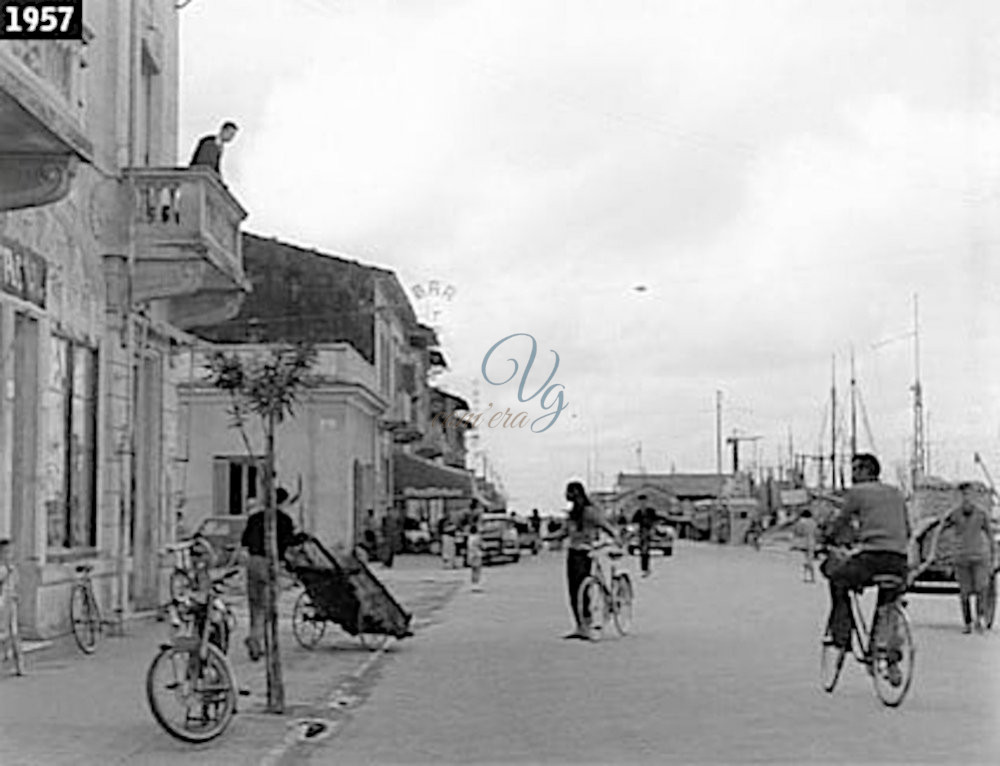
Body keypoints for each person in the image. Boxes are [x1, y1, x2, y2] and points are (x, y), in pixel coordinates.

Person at [822, 453, 910, 677]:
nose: (852, 475)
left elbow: (840, 522)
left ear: (865, 471)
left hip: (872, 558)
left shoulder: (857, 493)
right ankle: (884, 653)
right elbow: (906, 528)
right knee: (888, 603)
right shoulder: (896, 493)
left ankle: (842, 636)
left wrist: (828, 539)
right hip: (899, 560)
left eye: (855, 470)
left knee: (838, 579)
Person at [556, 481, 621, 640]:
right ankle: (579, 626)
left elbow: (604, 525)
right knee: (573, 590)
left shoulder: (589, 512)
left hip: (585, 552)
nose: (569, 496)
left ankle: (588, 623)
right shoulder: (572, 514)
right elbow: (564, 532)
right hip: (573, 552)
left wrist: (616, 537)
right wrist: (549, 538)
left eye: (571, 493)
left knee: (582, 589)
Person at [240, 497, 296, 662]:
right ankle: (259, 640)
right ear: (283, 502)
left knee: (254, 604)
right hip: (270, 563)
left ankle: (254, 636)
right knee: (268, 605)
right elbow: (288, 543)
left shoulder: (255, 518)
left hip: (253, 562)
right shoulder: (284, 520)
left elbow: (245, 541)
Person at [941, 482, 996, 633]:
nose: (966, 499)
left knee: (981, 589)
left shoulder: (981, 514)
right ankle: (968, 622)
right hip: (961, 558)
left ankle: (980, 618)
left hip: (979, 558)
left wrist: (993, 557)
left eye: (969, 495)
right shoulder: (954, 514)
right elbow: (940, 527)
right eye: (963, 496)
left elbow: (990, 537)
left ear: (974, 497)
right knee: (964, 592)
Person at [0, 539, 22, 676]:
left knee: (14, 633)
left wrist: (16, 595)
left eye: (11, 552)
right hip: (2, 602)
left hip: (10, 602)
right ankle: (6, 654)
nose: (9, 555)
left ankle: (19, 665)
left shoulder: (13, 568)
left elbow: (16, 584)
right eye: (6, 552)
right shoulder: (3, 569)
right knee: (3, 633)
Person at [632, 500, 657, 577]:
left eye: (644, 502)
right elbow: (634, 521)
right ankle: (644, 568)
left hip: (648, 531)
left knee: (645, 550)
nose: (642, 504)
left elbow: (655, 520)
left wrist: (653, 529)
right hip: (641, 531)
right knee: (643, 551)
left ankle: (645, 568)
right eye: (641, 503)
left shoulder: (651, 511)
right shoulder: (638, 512)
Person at [793, 509, 818, 583]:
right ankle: (812, 576)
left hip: (803, 542)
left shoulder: (801, 522)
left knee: (804, 560)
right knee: (810, 559)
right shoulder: (814, 522)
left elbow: (798, 531)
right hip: (812, 541)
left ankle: (805, 576)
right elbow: (816, 532)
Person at [467, 522, 484, 593]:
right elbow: (480, 545)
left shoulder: (469, 537)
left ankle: (473, 585)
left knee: (473, 571)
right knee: (477, 571)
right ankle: (477, 586)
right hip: (477, 554)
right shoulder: (477, 537)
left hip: (470, 555)